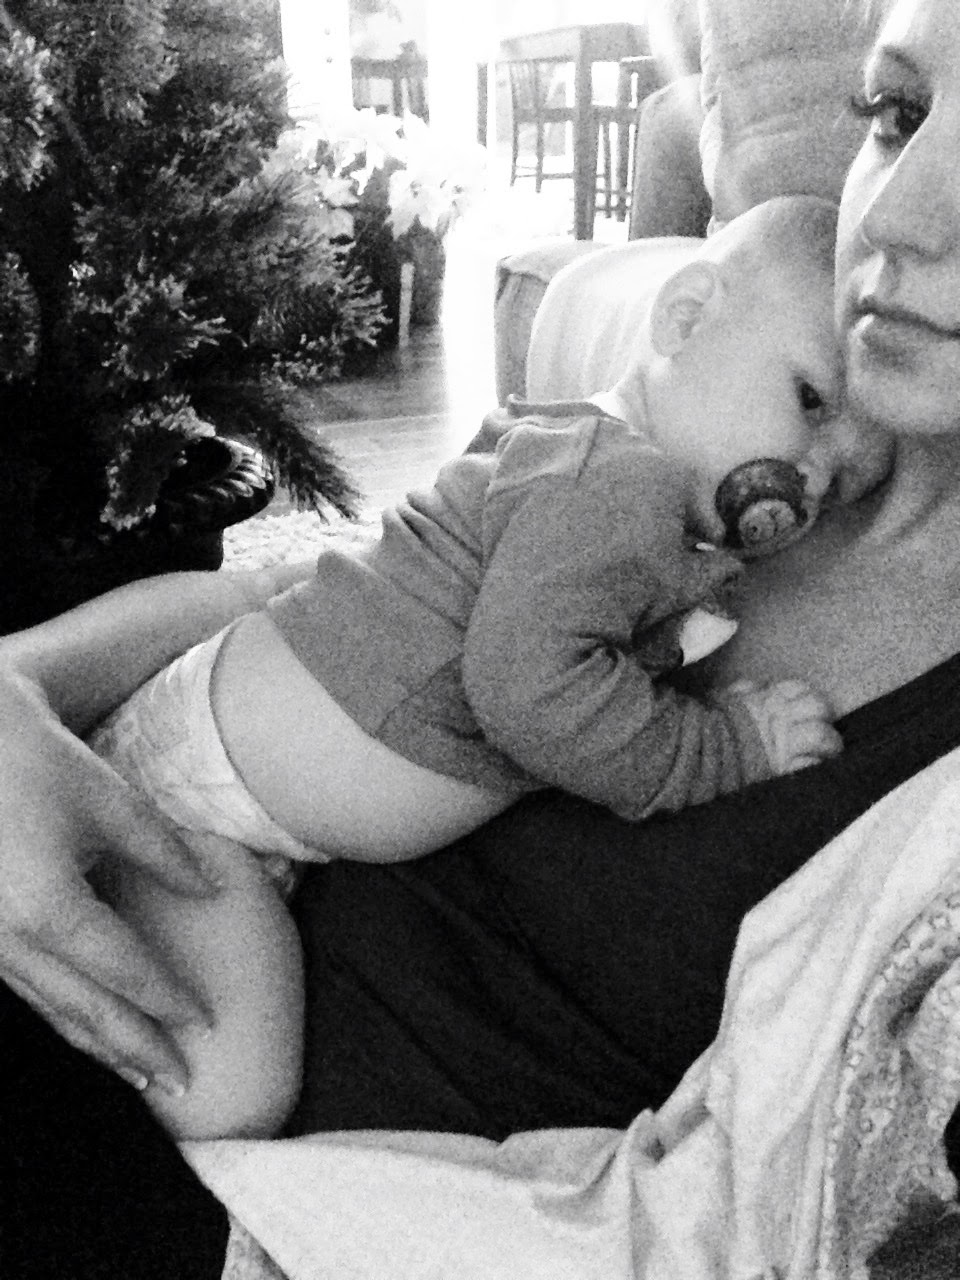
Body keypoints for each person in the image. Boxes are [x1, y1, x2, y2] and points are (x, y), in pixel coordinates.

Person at [4, 0, 960, 1271]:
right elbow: (322, 593)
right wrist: (17, 695)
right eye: (896, 114)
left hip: (267, 1179)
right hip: (146, 895)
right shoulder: (688, 433)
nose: (896, 221)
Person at [79, 195, 856, 1139]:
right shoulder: (619, 487)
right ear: (686, 318)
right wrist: (729, 745)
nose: (816, 474)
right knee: (228, 1092)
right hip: (193, 805)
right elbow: (532, 695)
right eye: (811, 402)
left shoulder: (597, 463)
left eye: (847, 475)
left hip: (227, 765)